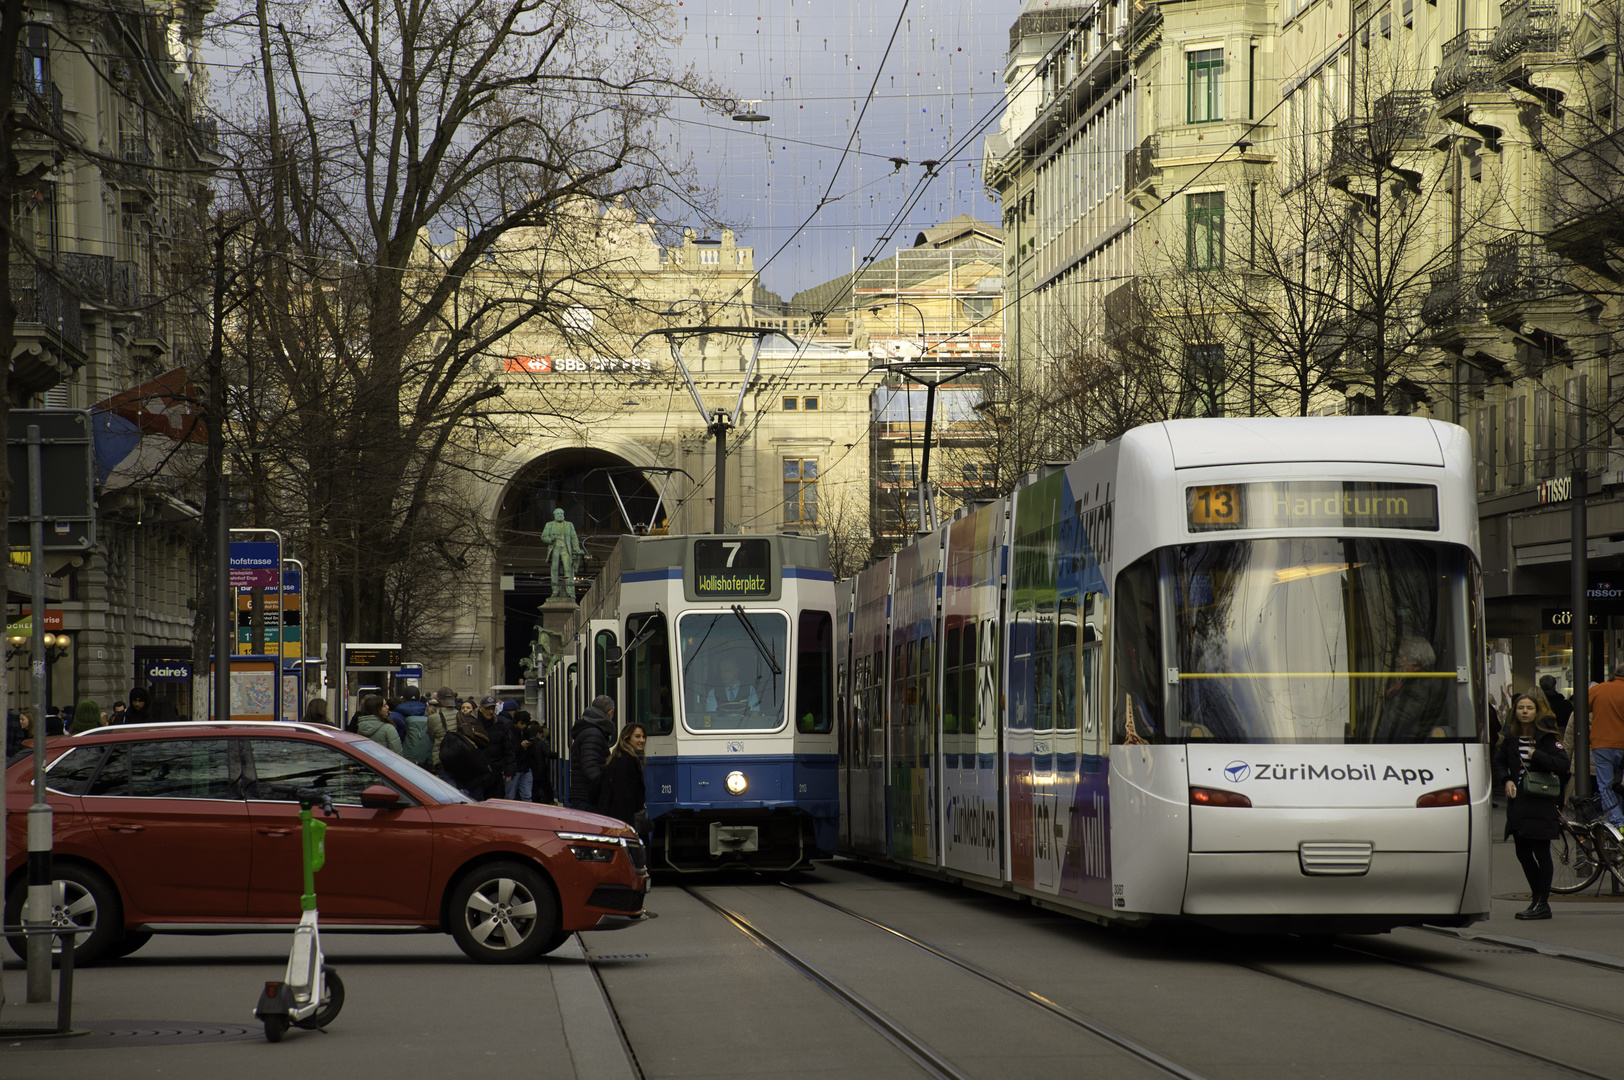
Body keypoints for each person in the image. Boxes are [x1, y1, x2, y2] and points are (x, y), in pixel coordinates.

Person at [1495, 689, 1572, 920]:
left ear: (1536, 712)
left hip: (1540, 802)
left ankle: (1542, 902)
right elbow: (1498, 762)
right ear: (1515, 712)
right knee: (1522, 852)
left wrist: (1536, 754)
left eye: (1529, 708)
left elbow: (1562, 765)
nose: (1525, 712)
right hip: (1518, 804)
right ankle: (1537, 897)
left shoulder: (1546, 737)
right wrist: (1506, 779)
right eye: (1520, 708)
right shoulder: (1509, 738)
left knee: (1541, 852)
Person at [1373, 636, 1449, 742]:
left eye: (1400, 656)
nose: (1396, 660)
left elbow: (1392, 723)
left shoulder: (1420, 687)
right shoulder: (1418, 682)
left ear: (1414, 661)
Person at [1587, 653, 1624, 831]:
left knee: (1606, 786)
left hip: (1602, 745)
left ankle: (1618, 822)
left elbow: (1583, 708)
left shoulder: (1598, 690)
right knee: (1621, 785)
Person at [597, 722, 647, 832]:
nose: (642, 740)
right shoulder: (627, 760)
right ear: (627, 738)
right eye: (637, 736)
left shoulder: (620, 757)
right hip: (623, 821)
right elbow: (622, 795)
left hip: (617, 819)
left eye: (643, 737)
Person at [569, 695, 616, 810]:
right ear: (610, 713)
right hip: (587, 798)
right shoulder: (594, 733)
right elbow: (590, 766)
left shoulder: (589, 730)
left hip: (584, 796)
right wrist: (605, 787)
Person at [541, 508, 584, 598]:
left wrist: (576, 548)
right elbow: (544, 536)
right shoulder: (549, 525)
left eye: (561, 513)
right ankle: (555, 591)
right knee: (554, 570)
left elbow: (574, 537)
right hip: (555, 548)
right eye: (558, 514)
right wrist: (550, 539)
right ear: (554, 515)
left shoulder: (569, 525)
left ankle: (570, 592)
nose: (560, 515)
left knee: (568, 569)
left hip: (565, 548)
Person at [425, 686, 461, 778]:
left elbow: (432, 738)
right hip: (461, 757)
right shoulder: (462, 715)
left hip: (442, 760)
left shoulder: (433, 718)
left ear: (439, 700)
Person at [394, 685, 432, 768]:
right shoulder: (427, 716)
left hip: (402, 761)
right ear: (419, 699)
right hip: (425, 762)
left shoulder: (394, 716)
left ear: (402, 699)